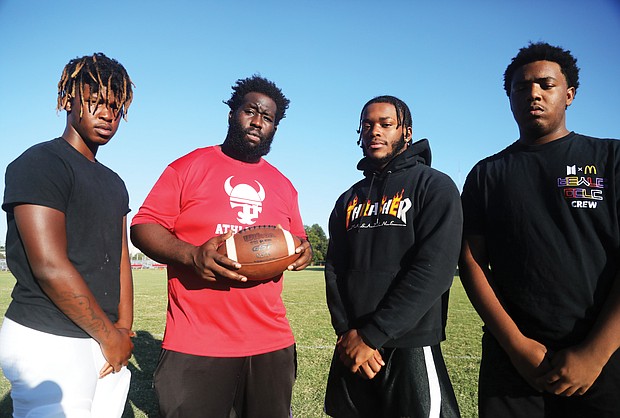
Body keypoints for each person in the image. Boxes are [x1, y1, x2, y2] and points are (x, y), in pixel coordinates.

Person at [130, 75, 313, 417]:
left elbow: (297, 240)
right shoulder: (188, 167)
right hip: (197, 341)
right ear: (232, 114)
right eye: (250, 111)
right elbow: (143, 226)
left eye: (268, 118)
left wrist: (305, 250)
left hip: (270, 341)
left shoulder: (284, 185)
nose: (258, 121)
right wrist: (191, 254)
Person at [459, 41, 620, 417]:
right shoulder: (486, 174)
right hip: (514, 364)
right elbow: (470, 261)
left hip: (604, 358)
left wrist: (594, 353)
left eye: (546, 85)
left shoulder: (611, 159)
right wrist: (517, 346)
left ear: (570, 94)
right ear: (510, 98)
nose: (533, 93)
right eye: (521, 87)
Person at [0, 53, 135, 417]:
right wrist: (111, 336)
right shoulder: (40, 163)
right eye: (96, 102)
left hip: (105, 337)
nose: (107, 114)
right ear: (68, 100)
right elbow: (48, 264)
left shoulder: (114, 182)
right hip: (47, 334)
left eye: (115, 106)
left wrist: (123, 329)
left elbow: (120, 258)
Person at [324, 95, 462, 417]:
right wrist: (346, 333)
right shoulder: (348, 198)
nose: (375, 131)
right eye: (368, 125)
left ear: (407, 132)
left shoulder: (435, 186)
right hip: (352, 346)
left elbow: (435, 269)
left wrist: (373, 335)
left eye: (386, 124)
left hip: (409, 343)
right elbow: (334, 268)